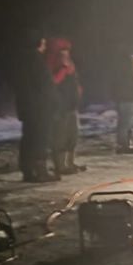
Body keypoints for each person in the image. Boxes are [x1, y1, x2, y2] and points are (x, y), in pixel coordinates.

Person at [13, 32, 60, 182]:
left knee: (28, 137)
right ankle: (39, 170)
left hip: (28, 107)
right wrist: (52, 102)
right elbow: (44, 86)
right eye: (44, 43)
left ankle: (28, 169)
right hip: (39, 108)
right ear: (40, 43)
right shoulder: (36, 60)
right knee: (40, 138)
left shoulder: (21, 61)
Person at [45, 36, 85, 174]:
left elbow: (74, 80)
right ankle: (60, 165)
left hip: (72, 104)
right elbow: (54, 81)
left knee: (72, 135)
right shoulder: (52, 62)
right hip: (60, 106)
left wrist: (78, 90)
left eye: (67, 51)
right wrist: (63, 69)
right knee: (60, 136)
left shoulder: (69, 63)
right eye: (63, 51)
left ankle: (70, 162)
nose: (66, 54)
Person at [110, 45, 133, 154]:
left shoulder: (117, 66)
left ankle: (123, 143)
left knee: (123, 121)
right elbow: (131, 82)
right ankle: (123, 144)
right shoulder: (127, 67)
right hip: (126, 97)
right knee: (125, 122)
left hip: (121, 97)